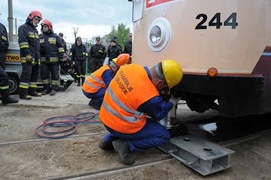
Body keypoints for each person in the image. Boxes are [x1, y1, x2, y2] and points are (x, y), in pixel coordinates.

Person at [98, 59, 183, 165]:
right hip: (121, 125)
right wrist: (171, 102)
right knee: (163, 135)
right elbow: (158, 115)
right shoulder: (150, 97)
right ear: (160, 82)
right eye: (165, 86)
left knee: (131, 119)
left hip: (106, 117)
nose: (164, 88)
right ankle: (127, 145)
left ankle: (108, 140)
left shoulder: (131, 67)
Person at [18, 10, 43, 100]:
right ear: (31, 18)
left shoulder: (35, 30)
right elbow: (23, 43)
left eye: (38, 20)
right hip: (27, 57)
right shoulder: (23, 28)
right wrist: (27, 54)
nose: (37, 22)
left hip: (35, 57)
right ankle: (23, 94)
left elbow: (37, 46)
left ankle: (32, 91)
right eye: (36, 19)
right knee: (26, 75)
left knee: (34, 75)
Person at [39, 19, 64, 96]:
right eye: (43, 26)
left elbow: (60, 47)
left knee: (54, 75)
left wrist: (60, 57)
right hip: (44, 61)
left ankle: (53, 89)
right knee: (44, 75)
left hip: (54, 61)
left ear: (50, 27)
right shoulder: (40, 37)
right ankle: (46, 89)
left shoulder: (55, 37)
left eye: (45, 26)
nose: (44, 27)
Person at [0, 22, 19, 105]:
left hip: (2, 55)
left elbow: (5, 41)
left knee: (1, 78)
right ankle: (5, 98)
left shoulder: (2, 27)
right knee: (3, 76)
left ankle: (4, 97)